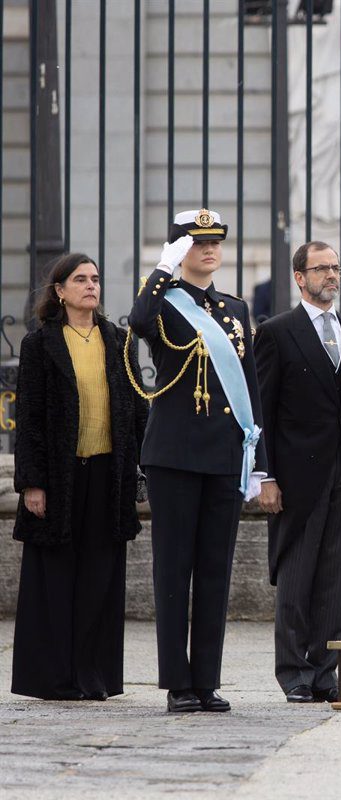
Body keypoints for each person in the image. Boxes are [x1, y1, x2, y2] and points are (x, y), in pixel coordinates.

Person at [128, 209, 268, 714]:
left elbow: (249, 387)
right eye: (196, 243)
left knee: (215, 570)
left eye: (214, 243)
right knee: (173, 569)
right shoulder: (163, 303)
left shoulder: (234, 309)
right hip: (174, 455)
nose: (208, 250)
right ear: (179, 249)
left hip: (224, 454)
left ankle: (206, 680)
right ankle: (177, 683)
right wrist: (161, 271)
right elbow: (139, 322)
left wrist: (260, 463)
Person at [11, 253, 147, 701]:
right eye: (80, 279)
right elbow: (29, 418)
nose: (91, 286)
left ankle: (95, 676)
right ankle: (54, 677)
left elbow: (137, 409)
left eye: (95, 278)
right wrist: (32, 483)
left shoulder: (119, 340)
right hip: (58, 477)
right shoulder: (40, 343)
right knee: (56, 577)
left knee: (100, 576)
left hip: (108, 474)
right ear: (60, 291)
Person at [255, 241, 341, 704]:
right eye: (321, 268)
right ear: (299, 277)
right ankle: (294, 672)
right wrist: (265, 475)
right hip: (296, 477)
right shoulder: (277, 332)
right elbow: (262, 410)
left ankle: (326, 671)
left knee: (333, 579)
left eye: (335, 267)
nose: (331, 275)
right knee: (296, 576)